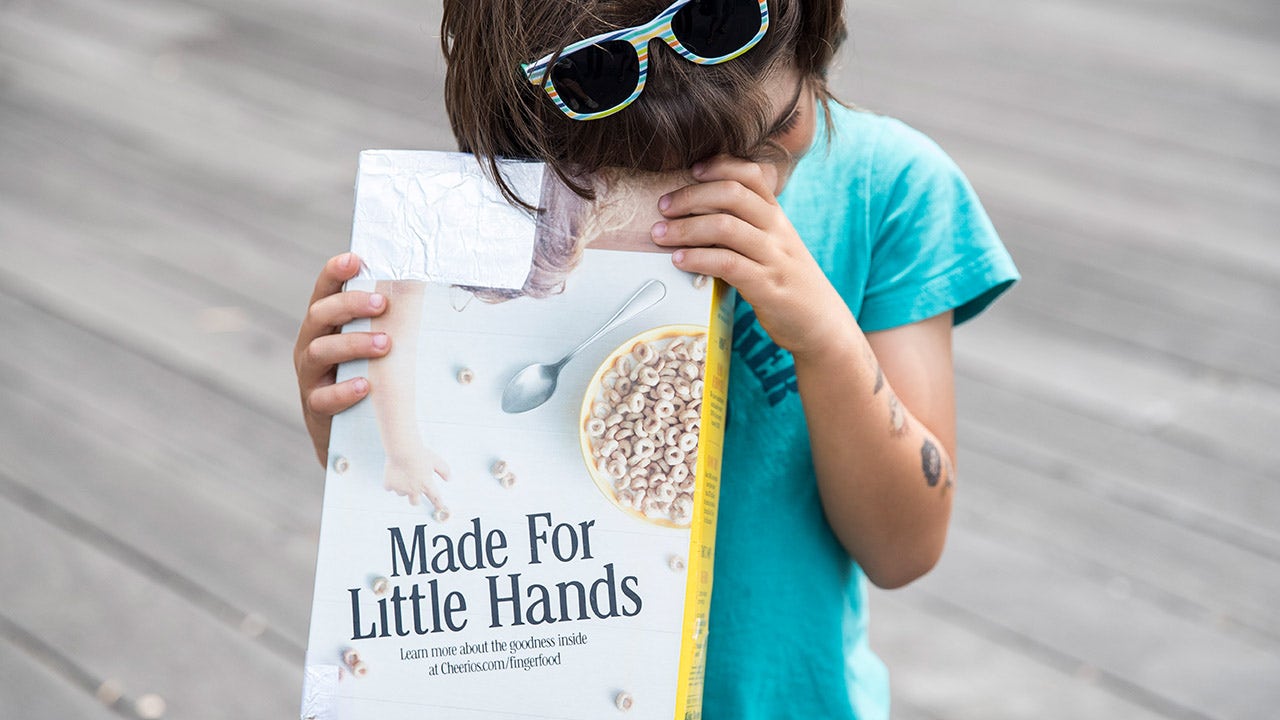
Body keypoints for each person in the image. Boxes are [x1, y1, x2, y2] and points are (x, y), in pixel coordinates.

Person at [293, 0, 1019, 717]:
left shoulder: (885, 188)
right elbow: (452, 511)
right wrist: (351, 425)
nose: (739, 184)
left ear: (815, 33)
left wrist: (826, 339)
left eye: (770, 136)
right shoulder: (527, 194)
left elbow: (904, 550)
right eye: (641, 171)